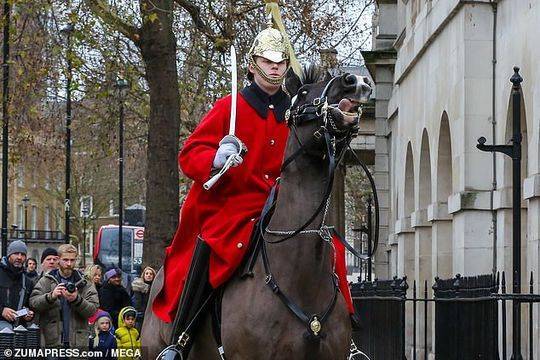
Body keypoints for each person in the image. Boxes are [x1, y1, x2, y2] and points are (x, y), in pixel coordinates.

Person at [29, 244, 99, 347]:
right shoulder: (47, 280)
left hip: (77, 342)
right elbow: (33, 303)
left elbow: (93, 310)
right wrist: (51, 296)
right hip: (51, 341)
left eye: (72, 260)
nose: (69, 264)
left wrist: (76, 300)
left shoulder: (84, 283)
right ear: (58, 260)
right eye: (65, 260)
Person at [0, 240, 34, 330]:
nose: (19, 257)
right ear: (9, 255)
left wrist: (28, 314)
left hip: (18, 331)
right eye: (16, 253)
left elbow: (29, 305)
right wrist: (2, 311)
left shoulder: (27, 281)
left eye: (22, 255)